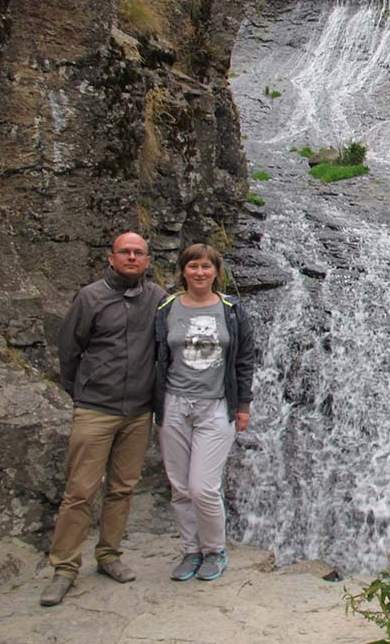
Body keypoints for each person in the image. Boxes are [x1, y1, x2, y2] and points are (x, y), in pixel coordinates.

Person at [40, 232, 167, 607]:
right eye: (124, 252)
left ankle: (109, 555)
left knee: (122, 488)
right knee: (79, 491)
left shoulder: (157, 298)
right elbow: (69, 350)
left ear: (147, 260)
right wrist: (82, 393)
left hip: (138, 411)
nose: (131, 257)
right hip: (95, 408)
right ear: (111, 258)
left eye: (138, 253)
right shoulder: (90, 297)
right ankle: (64, 568)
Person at [154, 243, 254, 582]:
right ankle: (190, 551)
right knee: (180, 486)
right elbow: (154, 355)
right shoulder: (167, 308)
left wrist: (244, 406)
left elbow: (243, 361)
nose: (200, 272)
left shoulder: (232, 310)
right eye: (193, 266)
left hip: (217, 406)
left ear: (216, 272)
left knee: (203, 487)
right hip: (174, 404)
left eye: (206, 267)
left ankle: (214, 550)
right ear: (183, 271)